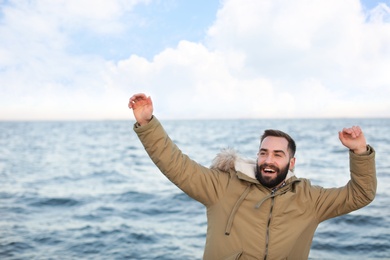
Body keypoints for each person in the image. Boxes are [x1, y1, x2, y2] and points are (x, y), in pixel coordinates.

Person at [128, 93, 376, 260]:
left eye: (278, 154)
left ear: (291, 163)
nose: (269, 160)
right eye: (263, 152)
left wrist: (359, 151)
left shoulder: (310, 200)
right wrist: (148, 124)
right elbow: (176, 165)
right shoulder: (221, 187)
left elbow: (361, 194)